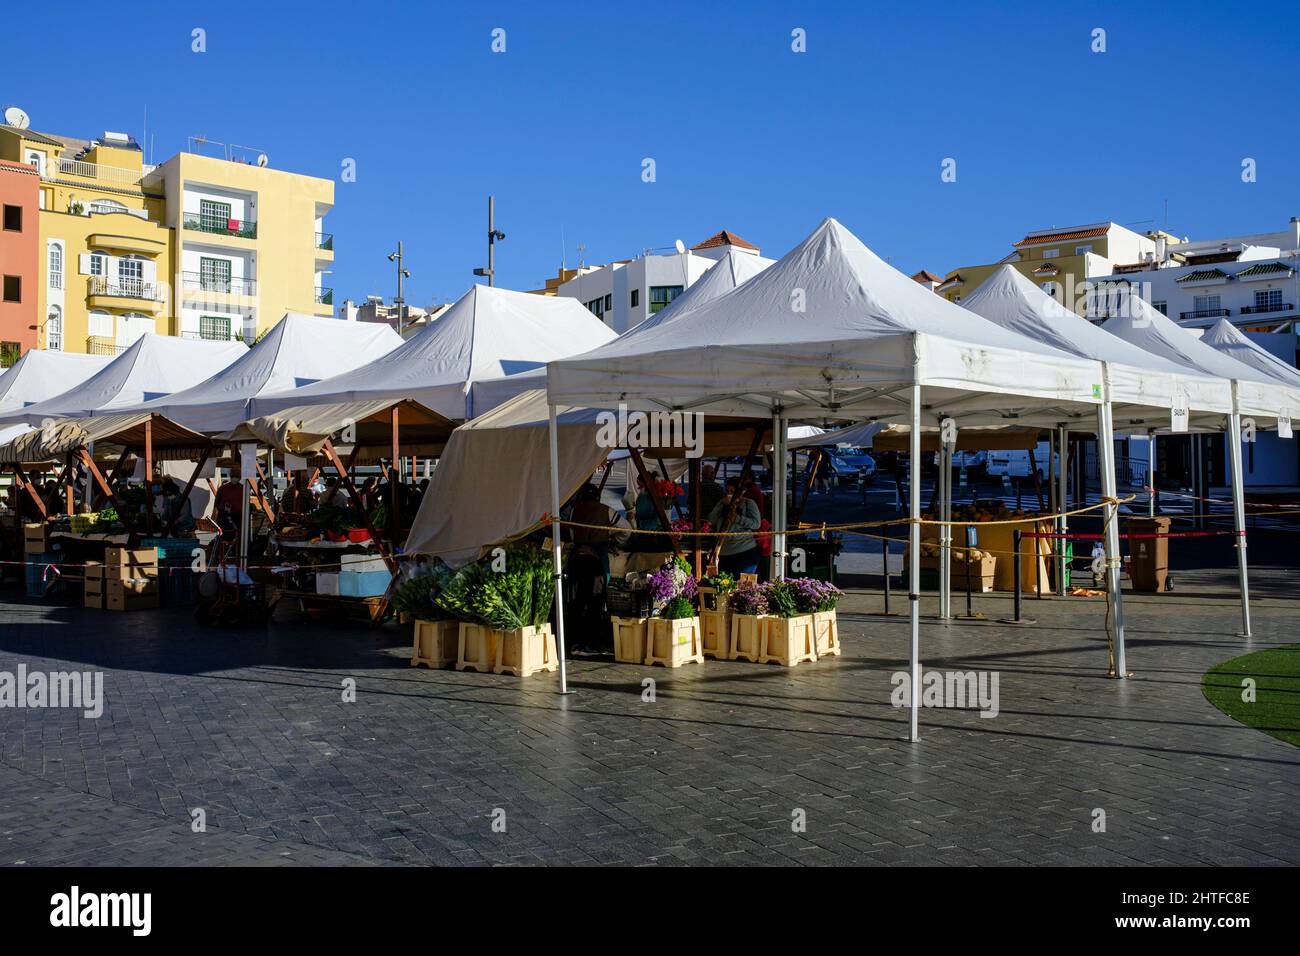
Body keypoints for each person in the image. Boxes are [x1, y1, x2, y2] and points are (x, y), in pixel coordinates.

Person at [706, 477, 762, 575]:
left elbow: (756, 523)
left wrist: (737, 518)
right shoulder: (722, 503)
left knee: (743, 586)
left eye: (732, 491)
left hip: (745, 550)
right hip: (724, 551)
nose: (729, 494)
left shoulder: (748, 503)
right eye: (727, 491)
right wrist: (721, 504)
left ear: (740, 492)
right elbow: (711, 520)